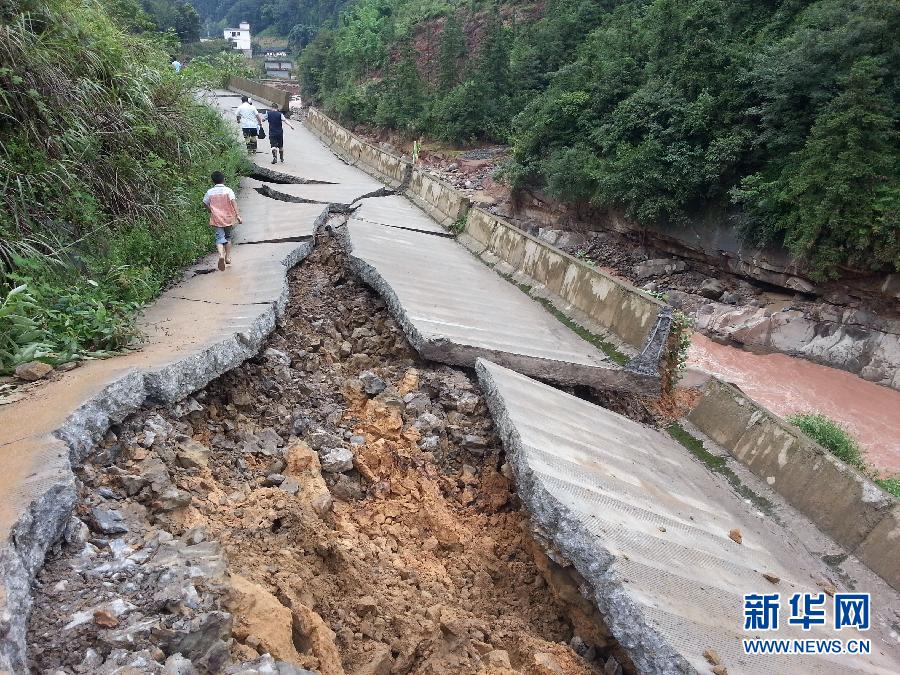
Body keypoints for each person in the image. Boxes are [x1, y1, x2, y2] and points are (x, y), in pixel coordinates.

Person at [202, 171, 242, 271]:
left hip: (217, 218)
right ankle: (227, 257)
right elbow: (233, 202)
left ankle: (220, 255)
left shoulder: (210, 192)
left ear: (213, 181)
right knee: (228, 237)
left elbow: (205, 202)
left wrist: (210, 210)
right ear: (223, 179)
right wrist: (238, 215)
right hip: (228, 217)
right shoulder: (228, 190)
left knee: (219, 238)